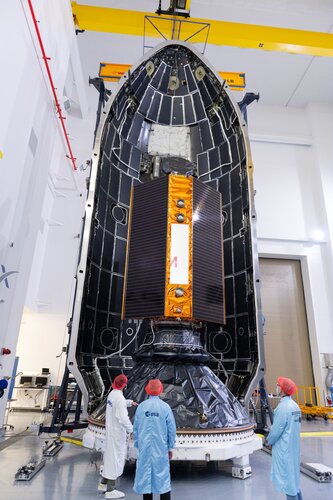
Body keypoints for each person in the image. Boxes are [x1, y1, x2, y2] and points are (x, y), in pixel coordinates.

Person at [133, 379, 176, 500]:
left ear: (147, 389)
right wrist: (170, 447)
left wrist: (138, 444)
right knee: (162, 477)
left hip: (144, 448)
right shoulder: (165, 407)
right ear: (161, 390)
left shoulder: (141, 407)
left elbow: (136, 428)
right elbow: (171, 429)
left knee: (146, 478)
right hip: (161, 448)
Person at [99, 374, 137, 499]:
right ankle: (110, 491)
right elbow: (122, 417)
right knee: (116, 460)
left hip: (110, 432)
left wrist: (130, 403)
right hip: (117, 434)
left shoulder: (112, 394)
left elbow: (118, 404)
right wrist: (132, 430)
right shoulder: (118, 398)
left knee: (109, 457)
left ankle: (103, 484)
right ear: (124, 385)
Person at [266, 376, 303, 500]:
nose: (276, 387)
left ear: (283, 389)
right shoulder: (295, 406)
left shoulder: (282, 408)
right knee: (294, 480)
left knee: (288, 482)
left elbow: (276, 430)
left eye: (278, 385)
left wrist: (268, 441)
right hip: (293, 448)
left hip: (284, 449)